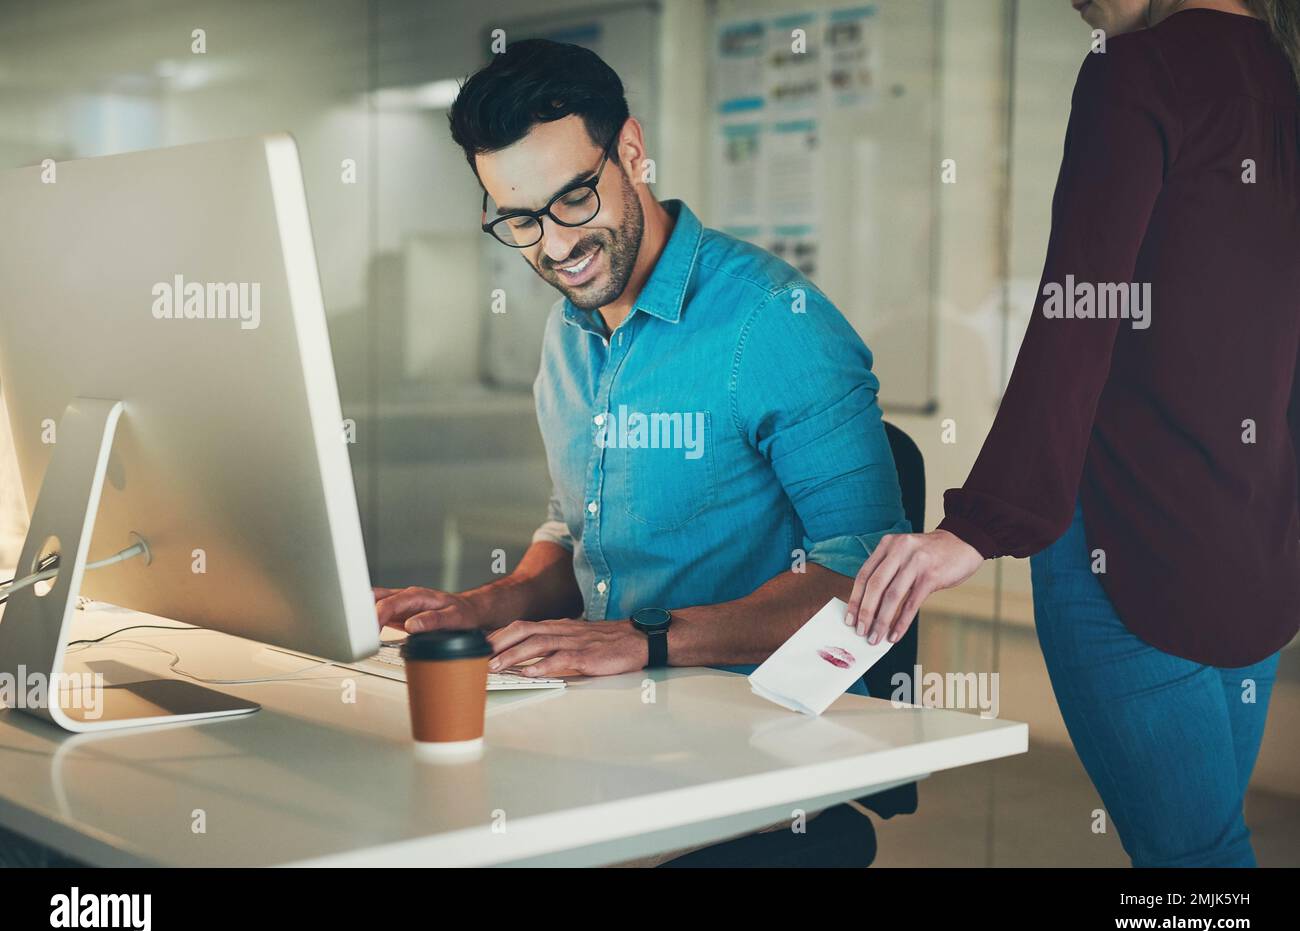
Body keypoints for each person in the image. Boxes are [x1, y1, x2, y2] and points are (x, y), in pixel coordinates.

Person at [846, 0, 1300, 867]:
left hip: (1129, 552)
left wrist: (980, 524)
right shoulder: (1282, 80)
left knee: (1195, 865)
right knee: (1202, 849)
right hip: (1258, 557)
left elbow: (1075, 314)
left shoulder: (1136, 72)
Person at [376, 38, 909, 687]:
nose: (557, 246)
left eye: (574, 199)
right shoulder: (568, 332)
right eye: (520, 221)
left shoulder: (773, 320)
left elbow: (864, 577)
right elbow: (579, 537)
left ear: (632, 152)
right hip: (607, 708)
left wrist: (640, 639)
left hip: (761, 725)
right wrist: (478, 607)